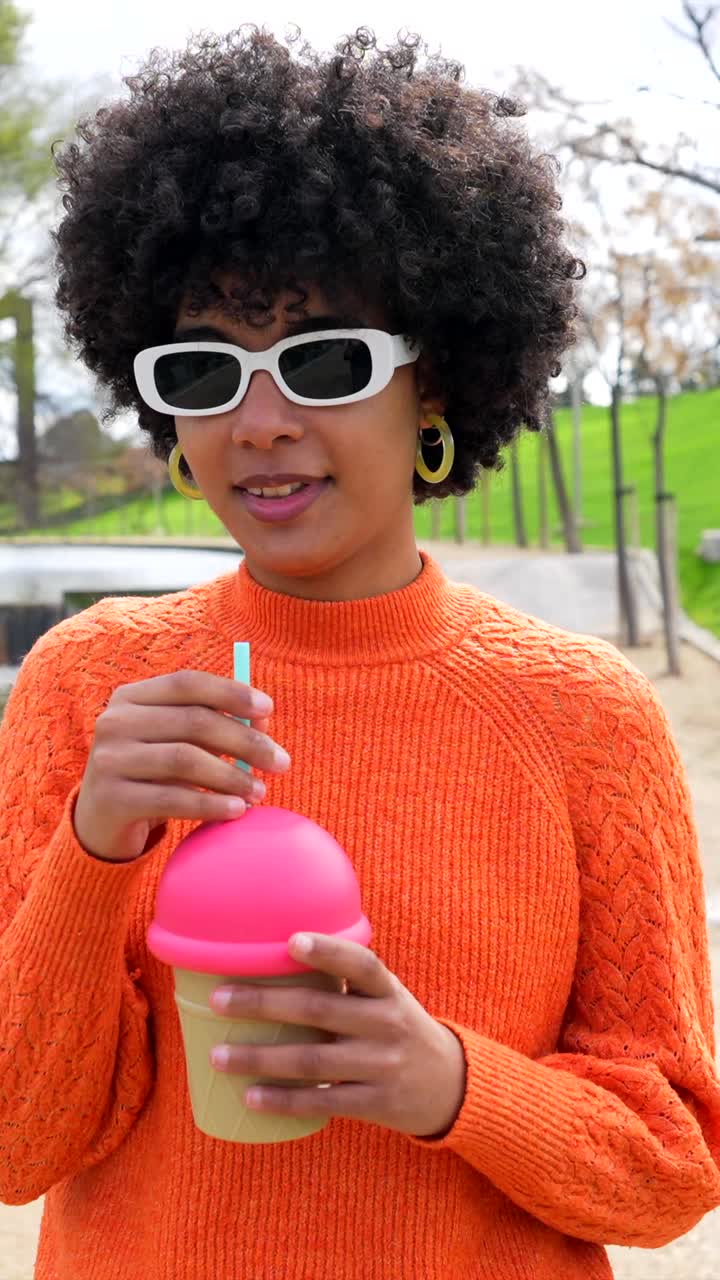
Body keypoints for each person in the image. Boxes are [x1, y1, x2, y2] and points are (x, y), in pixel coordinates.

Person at [0, 24, 718, 1280]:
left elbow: (671, 1167)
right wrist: (94, 848)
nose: (261, 423)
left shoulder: (586, 714)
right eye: (205, 369)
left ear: (432, 383)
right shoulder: (86, 687)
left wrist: (451, 1084)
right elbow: (15, 1146)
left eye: (324, 359)